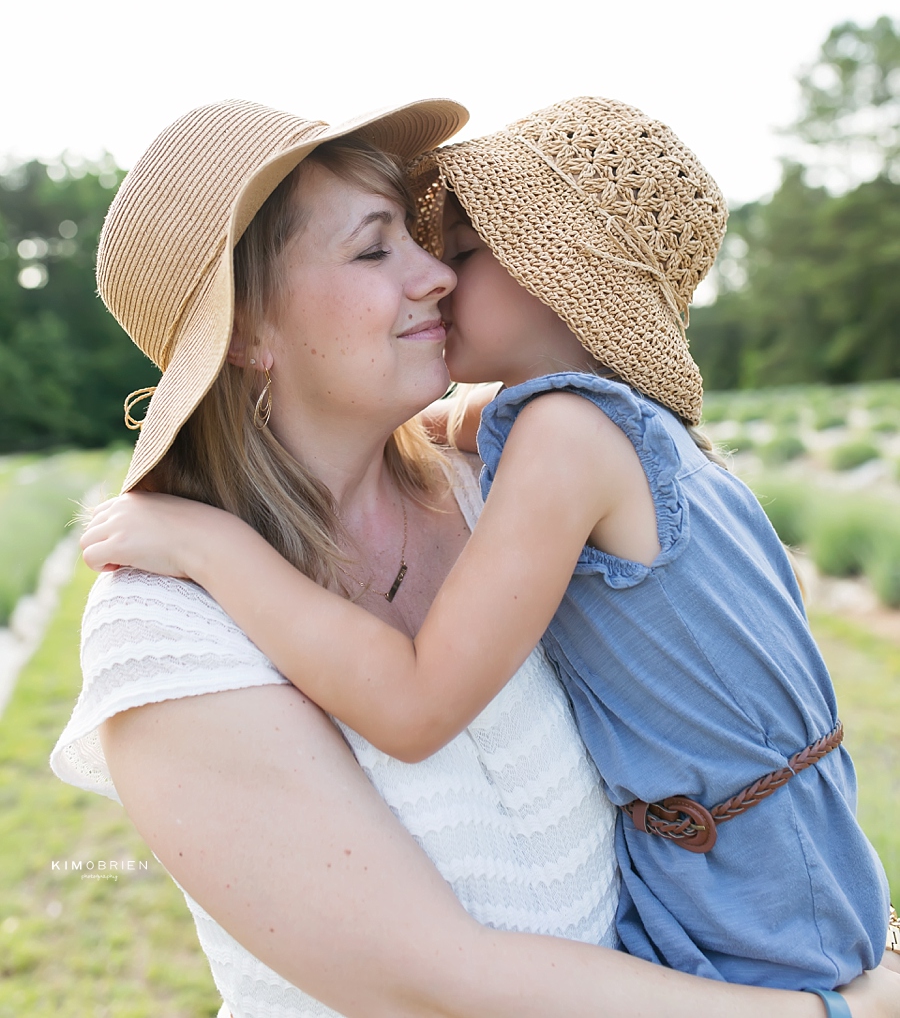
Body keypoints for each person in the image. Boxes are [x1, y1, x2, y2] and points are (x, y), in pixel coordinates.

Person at [68, 98, 898, 1018]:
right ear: (247, 330)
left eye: (453, 247)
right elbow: (429, 982)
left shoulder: (498, 484)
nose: (434, 274)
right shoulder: (165, 624)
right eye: (377, 247)